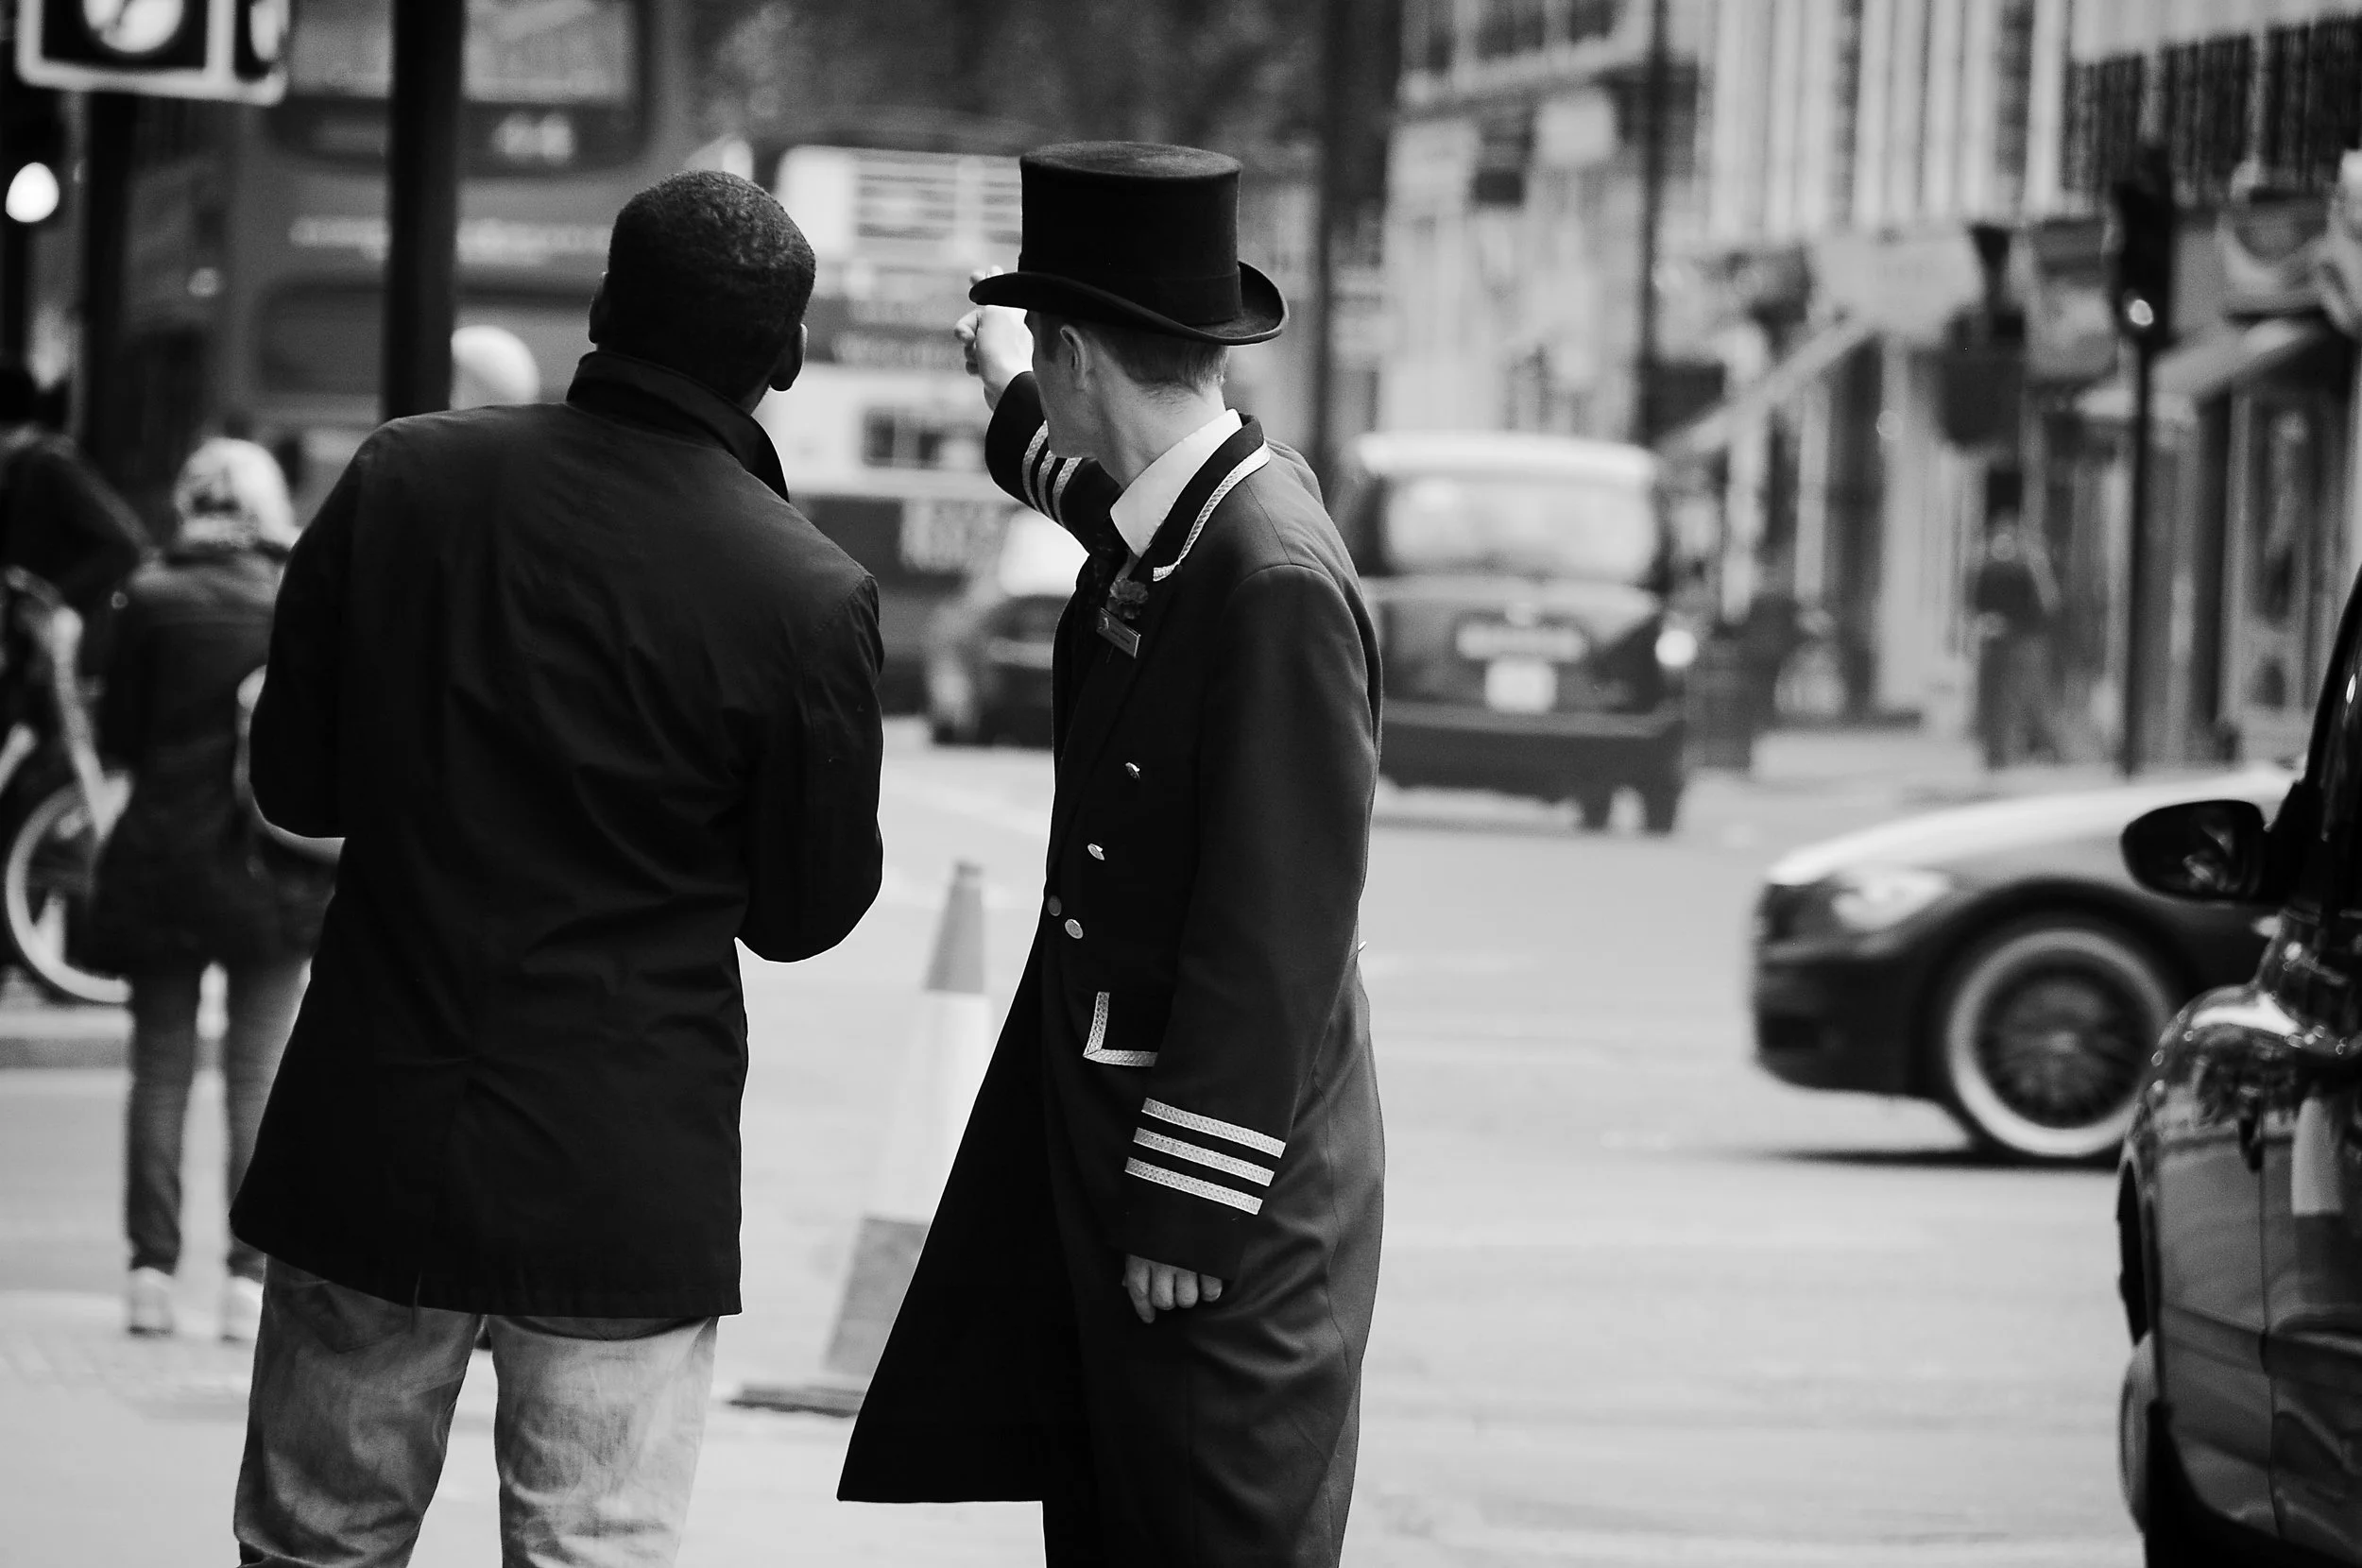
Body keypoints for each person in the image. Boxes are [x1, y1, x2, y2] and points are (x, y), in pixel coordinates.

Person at [228, 170, 885, 1566]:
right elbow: (805, 914)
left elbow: (293, 782)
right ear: (787, 359)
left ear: (599, 308)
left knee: (314, 1545)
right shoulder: (806, 593)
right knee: (594, 1552)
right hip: (622, 1175)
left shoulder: (405, 477)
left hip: (376, 1129)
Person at [841, 143, 1385, 1568]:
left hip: (1220, 1218)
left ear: (1080, 349)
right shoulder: (1200, 513)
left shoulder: (1267, 577)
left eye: (1046, 358)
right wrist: (1006, 402)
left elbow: (1280, 928)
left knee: (1203, 1538)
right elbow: (1101, 509)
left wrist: (1190, 1206)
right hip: (1116, 1171)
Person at [87, 439, 332, 1346]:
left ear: (189, 501)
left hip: (160, 861)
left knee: (159, 1071)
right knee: (258, 1073)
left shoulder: (149, 596)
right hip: (271, 864)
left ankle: (150, 1276)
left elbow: (120, 739)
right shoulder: (291, 597)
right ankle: (244, 1282)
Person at [0, 359, 149, 630]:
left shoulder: (49, 462)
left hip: (53, 632)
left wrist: (56, 593)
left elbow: (125, 543)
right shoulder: (25, 464)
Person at [1970, 514, 2061, 769]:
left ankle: (2039, 749)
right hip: (1997, 643)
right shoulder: (1988, 571)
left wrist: (2038, 566)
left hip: (2025, 642)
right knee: (1996, 701)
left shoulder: (2028, 571)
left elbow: (2047, 607)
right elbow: (1979, 605)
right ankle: (1998, 755)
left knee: (2026, 699)